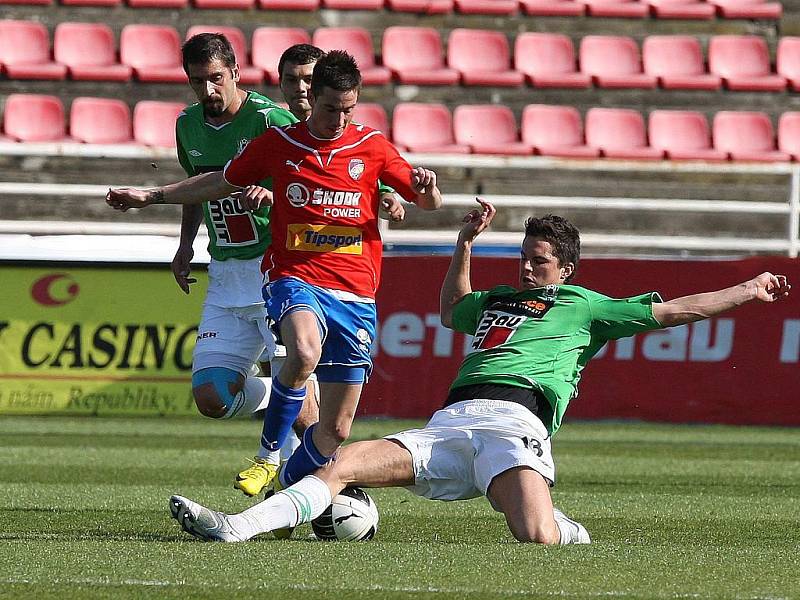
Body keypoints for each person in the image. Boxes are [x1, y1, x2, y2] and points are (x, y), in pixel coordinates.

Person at [166, 199, 791, 544]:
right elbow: (450, 311)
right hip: (452, 419)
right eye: (523, 258)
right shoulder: (497, 300)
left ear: (565, 269)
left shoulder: (587, 306)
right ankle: (237, 528)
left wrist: (751, 287)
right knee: (341, 463)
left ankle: (560, 524)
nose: (527, 269)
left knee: (538, 540)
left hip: (515, 424)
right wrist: (464, 246)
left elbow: (679, 309)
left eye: (539, 262)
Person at [107, 51, 443, 499]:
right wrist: (153, 196)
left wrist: (427, 190)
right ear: (312, 97)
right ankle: (268, 457)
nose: (339, 119)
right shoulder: (279, 142)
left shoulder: (372, 147)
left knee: (335, 430)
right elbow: (216, 181)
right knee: (302, 354)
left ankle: (286, 492)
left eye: (348, 109)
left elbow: (427, 203)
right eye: (329, 108)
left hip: (356, 294)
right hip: (294, 277)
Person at [171, 32, 314, 497]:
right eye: (198, 82)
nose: (208, 90)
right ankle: (282, 396)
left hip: (275, 270)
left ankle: (313, 487)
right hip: (226, 274)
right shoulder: (187, 125)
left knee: (307, 413)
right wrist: (184, 246)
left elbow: (310, 193)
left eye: (216, 78)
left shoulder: (271, 122)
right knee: (212, 397)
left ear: (235, 71)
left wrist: (273, 196)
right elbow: (196, 188)